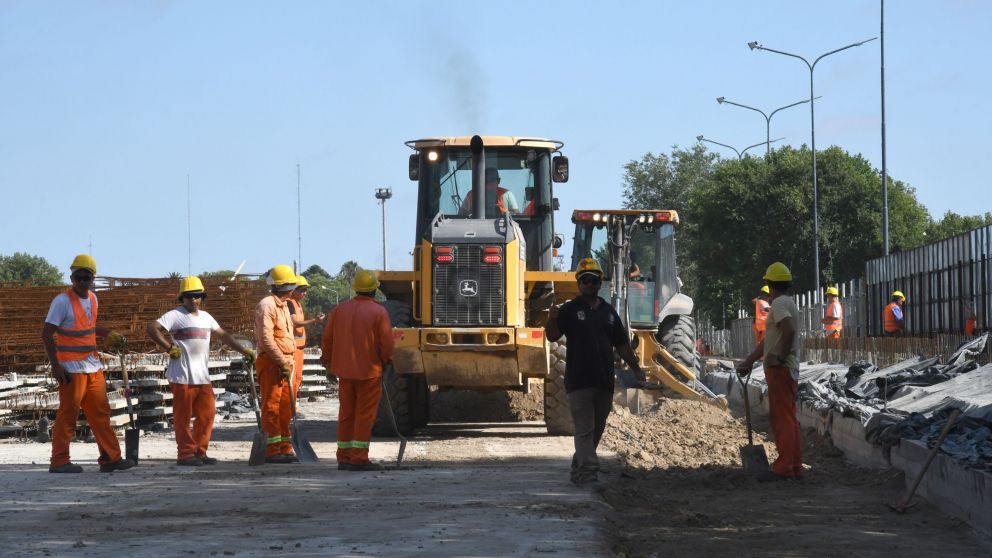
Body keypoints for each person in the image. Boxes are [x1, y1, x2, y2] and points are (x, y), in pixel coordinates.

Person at [545, 257, 646, 486]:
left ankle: (578, 464)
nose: (589, 285)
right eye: (585, 281)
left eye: (594, 281)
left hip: (603, 382)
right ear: (579, 284)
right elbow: (551, 336)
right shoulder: (570, 310)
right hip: (578, 381)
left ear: (600, 283)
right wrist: (550, 319)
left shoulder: (609, 312)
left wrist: (637, 369)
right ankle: (589, 472)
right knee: (584, 428)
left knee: (597, 429)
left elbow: (622, 345)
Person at [146, 276, 256, 466]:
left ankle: (200, 452)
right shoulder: (175, 315)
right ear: (182, 298)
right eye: (189, 297)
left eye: (198, 296)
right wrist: (168, 347)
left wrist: (243, 349)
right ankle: (185, 454)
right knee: (183, 418)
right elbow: (152, 328)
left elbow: (224, 336)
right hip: (181, 376)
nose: (194, 300)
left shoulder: (206, 318)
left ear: (202, 297)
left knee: (207, 415)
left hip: (202, 377)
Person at [41, 254, 135, 473]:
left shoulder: (93, 299)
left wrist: (109, 334)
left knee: (101, 413)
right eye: (78, 277)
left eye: (86, 278)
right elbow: (46, 334)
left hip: (92, 366)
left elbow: (89, 329)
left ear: (93, 278)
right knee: (68, 415)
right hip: (71, 369)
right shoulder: (62, 302)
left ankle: (111, 458)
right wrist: (56, 365)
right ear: (72, 277)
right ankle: (59, 461)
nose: (82, 282)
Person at [321, 270, 394, 472]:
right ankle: (359, 458)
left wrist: (328, 364)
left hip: (344, 373)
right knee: (364, 416)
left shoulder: (339, 310)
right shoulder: (379, 312)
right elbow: (386, 343)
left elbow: (327, 340)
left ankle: (343, 457)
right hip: (369, 373)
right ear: (374, 289)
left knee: (346, 415)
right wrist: (387, 362)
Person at [736, 262, 803, 482]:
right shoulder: (787, 302)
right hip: (785, 369)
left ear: (770, 283)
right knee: (788, 418)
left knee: (782, 419)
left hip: (781, 369)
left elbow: (789, 331)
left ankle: (784, 468)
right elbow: (768, 342)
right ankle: (793, 466)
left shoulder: (779, 303)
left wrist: (781, 357)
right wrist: (749, 362)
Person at [253, 264, 299, 464]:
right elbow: (266, 340)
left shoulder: (282, 305)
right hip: (273, 363)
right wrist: (281, 361)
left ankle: (285, 447)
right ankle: (272, 450)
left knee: (286, 408)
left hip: (284, 363)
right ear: (288, 287)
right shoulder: (267, 305)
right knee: (272, 407)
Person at [288, 275, 325, 398]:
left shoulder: (297, 304)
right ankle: (290, 409)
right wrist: (314, 320)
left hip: (299, 349)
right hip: (292, 349)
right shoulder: (290, 303)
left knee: (297, 379)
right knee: (292, 380)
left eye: (306, 290)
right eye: (302, 290)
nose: (305, 293)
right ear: (293, 289)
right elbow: (294, 322)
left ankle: (292, 408)